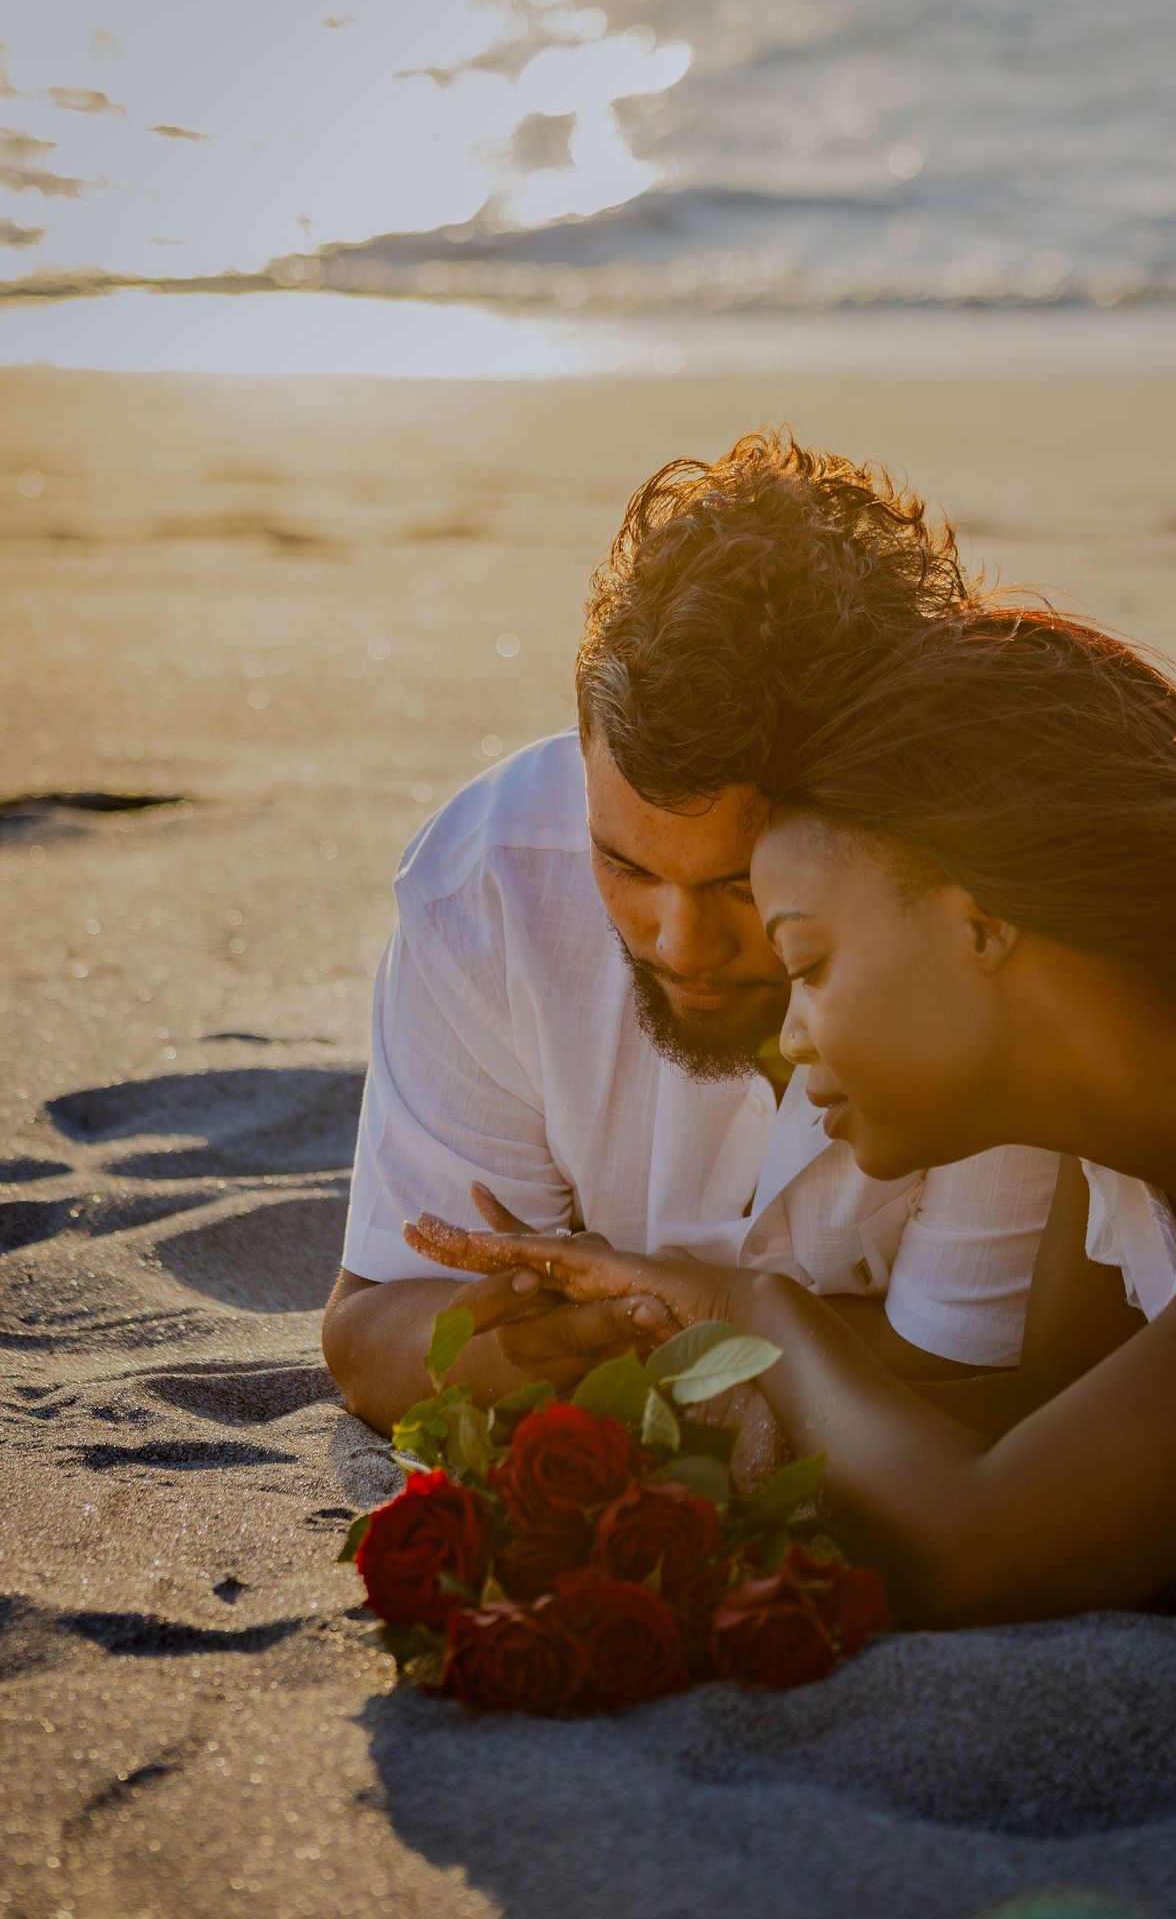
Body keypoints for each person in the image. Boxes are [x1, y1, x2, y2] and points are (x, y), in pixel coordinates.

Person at [406, 602, 1176, 1626]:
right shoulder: (1117, 1157)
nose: (790, 1037)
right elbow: (1039, 1421)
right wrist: (666, 1330)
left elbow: (983, 1543)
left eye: (812, 962)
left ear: (984, 926)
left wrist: (752, 1309)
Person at [323, 440, 1062, 1434]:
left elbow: (975, 1378)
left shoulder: (986, 920)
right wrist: (523, 1353)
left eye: (739, 884)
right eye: (625, 868)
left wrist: (689, 1331)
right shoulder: (490, 883)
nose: (680, 943)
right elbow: (370, 1331)